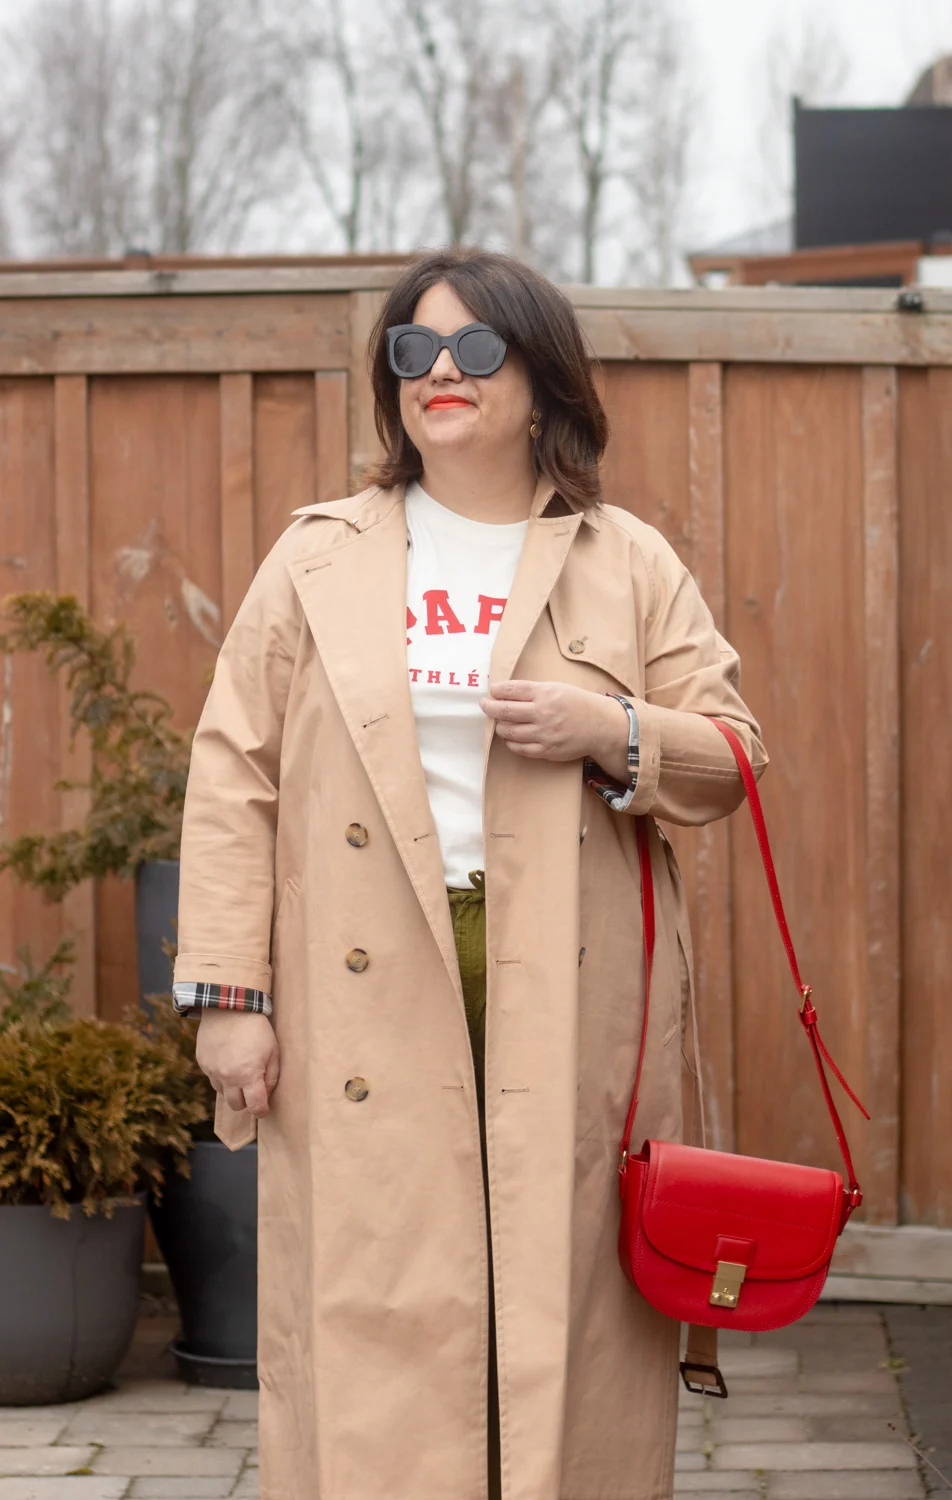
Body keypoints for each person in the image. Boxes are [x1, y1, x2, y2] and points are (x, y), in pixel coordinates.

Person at [172, 248, 767, 1500]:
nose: (438, 371)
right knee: (383, 1294)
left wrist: (609, 731)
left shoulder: (625, 560)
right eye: (411, 351)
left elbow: (731, 762)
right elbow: (235, 774)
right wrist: (227, 999)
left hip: (563, 975)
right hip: (364, 980)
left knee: (560, 1296)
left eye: (475, 348)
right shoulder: (317, 558)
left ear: (542, 380)